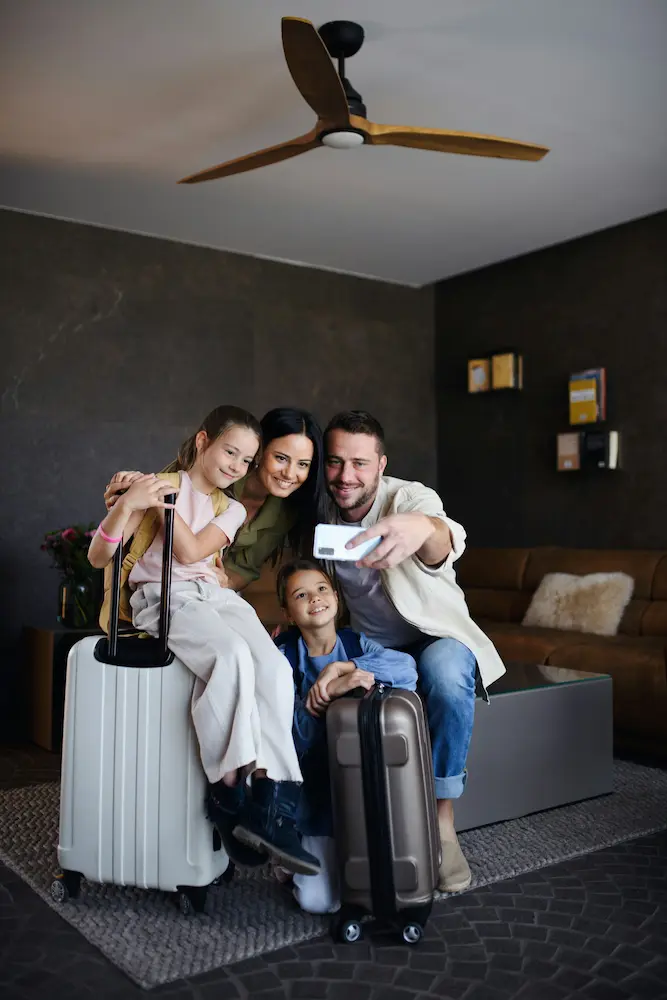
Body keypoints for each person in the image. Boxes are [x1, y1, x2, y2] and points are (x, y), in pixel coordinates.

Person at [88, 405, 320, 877]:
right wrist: (133, 501)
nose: (235, 466)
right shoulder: (155, 486)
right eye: (228, 451)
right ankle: (228, 789)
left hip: (212, 595)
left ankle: (273, 801)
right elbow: (98, 557)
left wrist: (160, 503)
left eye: (245, 460)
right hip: (162, 596)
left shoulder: (231, 507)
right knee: (230, 656)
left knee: (274, 668)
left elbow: (193, 551)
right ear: (201, 442)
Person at [323, 410, 506, 893]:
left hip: (435, 633)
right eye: (336, 462)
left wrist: (421, 528)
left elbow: (446, 537)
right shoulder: (321, 511)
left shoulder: (408, 498)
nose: (347, 476)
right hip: (373, 644)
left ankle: (443, 820)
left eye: (360, 464)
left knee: (444, 672)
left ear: (381, 464)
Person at [273, 558, 417, 914]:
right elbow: (289, 740)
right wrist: (321, 701)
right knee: (320, 902)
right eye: (301, 594)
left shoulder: (356, 646)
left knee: (372, 884)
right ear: (289, 612)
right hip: (315, 797)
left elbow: (407, 669)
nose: (315, 598)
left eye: (322, 589)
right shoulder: (282, 659)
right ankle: (289, 856)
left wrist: (348, 670)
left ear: (336, 597)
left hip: (363, 789)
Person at [104, 407, 329, 591]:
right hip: (153, 584)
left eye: (303, 464)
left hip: (210, 591)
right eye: (281, 458)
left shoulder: (284, 510)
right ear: (259, 451)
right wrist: (123, 500)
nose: (290, 474)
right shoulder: (216, 471)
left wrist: (225, 582)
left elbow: (245, 567)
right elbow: (149, 507)